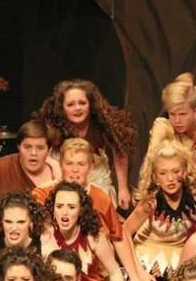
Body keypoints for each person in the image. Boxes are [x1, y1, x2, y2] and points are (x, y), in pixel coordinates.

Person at [33, 138, 151, 281]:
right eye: (69, 163)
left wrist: (134, 276)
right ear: (61, 165)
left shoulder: (101, 198)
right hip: (55, 279)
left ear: (91, 167)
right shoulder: (42, 194)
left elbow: (119, 237)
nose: (75, 170)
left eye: (81, 164)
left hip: (93, 277)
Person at [34, 79, 137, 208]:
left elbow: (120, 151)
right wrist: (54, 165)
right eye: (70, 104)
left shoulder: (102, 124)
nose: (77, 108)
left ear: (90, 104)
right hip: (62, 177)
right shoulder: (53, 127)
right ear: (62, 108)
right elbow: (40, 154)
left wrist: (123, 188)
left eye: (82, 103)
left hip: (97, 179)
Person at [43, 182, 127, 281]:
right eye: (59, 206)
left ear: (81, 210)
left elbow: (115, 272)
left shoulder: (93, 237)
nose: (64, 212)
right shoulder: (45, 236)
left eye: (71, 207)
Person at [125, 139, 196, 281]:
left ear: (185, 170)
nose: (170, 179)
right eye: (163, 173)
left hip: (181, 257)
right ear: (155, 176)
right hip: (148, 255)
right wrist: (138, 272)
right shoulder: (150, 203)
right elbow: (125, 233)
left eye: (176, 171)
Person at [0, 120, 58, 203]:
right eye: (27, 147)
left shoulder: (59, 174)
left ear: (49, 150)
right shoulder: (3, 166)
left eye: (40, 148)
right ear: (19, 147)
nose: (33, 153)